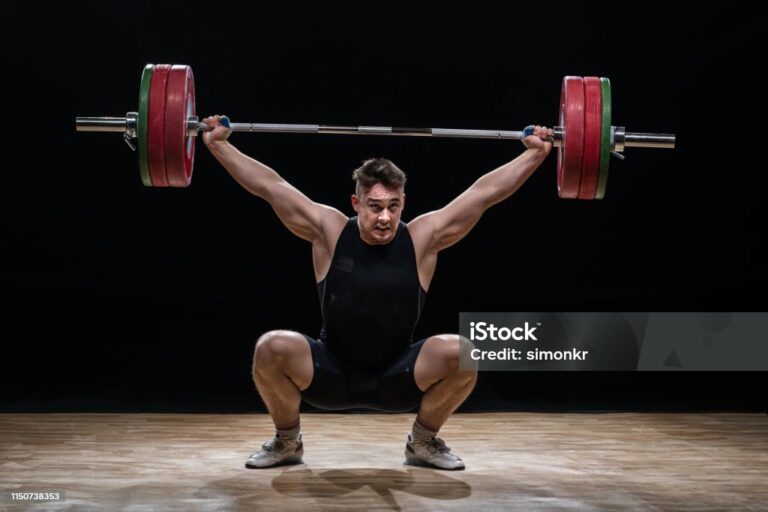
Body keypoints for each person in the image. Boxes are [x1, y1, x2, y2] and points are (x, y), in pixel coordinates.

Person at [202, 115, 553, 470]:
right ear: (356, 204)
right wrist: (219, 145)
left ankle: (423, 442)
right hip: (330, 372)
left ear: (403, 202)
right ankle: (287, 441)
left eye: (393, 206)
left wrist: (534, 156)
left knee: (463, 352)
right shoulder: (329, 230)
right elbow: (270, 186)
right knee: (271, 346)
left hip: (399, 376)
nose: (385, 217)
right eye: (375, 206)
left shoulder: (422, 237)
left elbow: (484, 194)